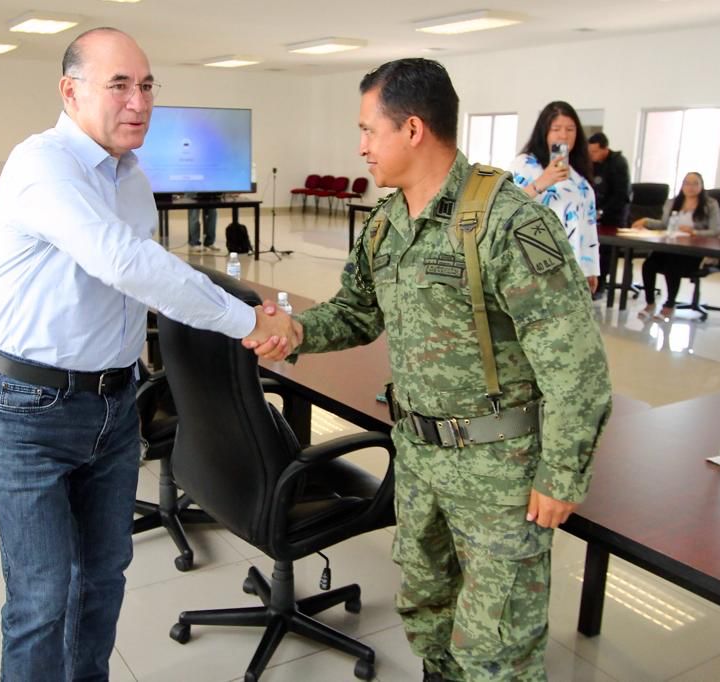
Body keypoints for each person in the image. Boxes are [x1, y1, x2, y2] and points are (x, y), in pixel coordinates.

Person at [250, 59, 611, 682]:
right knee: (429, 615)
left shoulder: (509, 221)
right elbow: (358, 312)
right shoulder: (386, 225)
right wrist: (300, 331)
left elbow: (577, 366)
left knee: (496, 648)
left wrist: (562, 475)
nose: (360, 146)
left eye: (369, 130)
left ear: (412, 129)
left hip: (499, 475)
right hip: (418, 457)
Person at [0, 27, 295, 681]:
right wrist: (246, 320)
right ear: (70, 91)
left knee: (102, 580)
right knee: (43, 600)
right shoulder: (43, 164)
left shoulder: (131, 177)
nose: (139, 101)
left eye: (147, 85)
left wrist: (241, 314)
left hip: (114, 404)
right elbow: (124, 262)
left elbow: (146, 271)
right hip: (32, 410)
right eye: (119, 84)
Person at [510, 102, 600, 293]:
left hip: (573, 267)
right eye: (556, 129)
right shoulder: (524, 164)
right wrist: (542, 182)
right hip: (535, 263)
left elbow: (588, 225)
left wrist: (591, 269)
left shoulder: (578, 176)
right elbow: (507, 206)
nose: (564, 135)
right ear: (544, 132)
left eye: (570, 129)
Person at [632, 172, 720, 321]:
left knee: (672, 267)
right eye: (687, 183)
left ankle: (669, 305)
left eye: (695, 183)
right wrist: (646, 222)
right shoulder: (672, 202)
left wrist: (694, 232)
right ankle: (650, 303)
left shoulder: (710, 205)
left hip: (692, 250)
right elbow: (663, 225)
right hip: (670, 245)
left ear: (702, 186)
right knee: (649, 265)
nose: (690, 187)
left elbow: (715, 231)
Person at [588, 132, 631, 297]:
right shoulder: (594, 164)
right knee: (594, 246)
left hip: (614, 215)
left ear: (605, 149)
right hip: (595, 214)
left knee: (605, 251)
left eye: (595, 152)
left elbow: (621, 194)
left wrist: (602, 212)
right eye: (589, 152)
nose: (592, 156)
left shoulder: (618, 163)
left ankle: (601, 285)